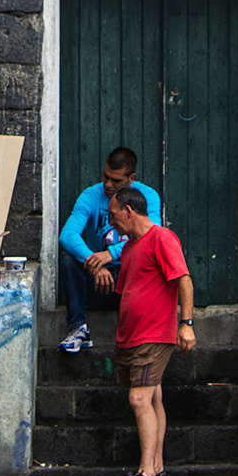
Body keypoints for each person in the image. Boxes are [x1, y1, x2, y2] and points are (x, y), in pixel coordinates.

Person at [106, 187, 196, 476]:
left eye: (113, 215)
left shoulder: (162, 238)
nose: (111, 222)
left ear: (129, 211)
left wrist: (186, 324)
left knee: (139, 399)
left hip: (154, 334)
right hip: (131, 336)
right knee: (153, 398)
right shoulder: (130, 248)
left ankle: (145, 471)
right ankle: (156, 468)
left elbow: (183, 279)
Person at [57, 147, 161, 353]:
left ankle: (144, 332)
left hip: (131, 280)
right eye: (106, 177)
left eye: (116, 181)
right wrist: (95, 263)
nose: (108, 184)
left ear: (131, 178)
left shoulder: (147, 197)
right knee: (68, 258)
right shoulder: (91, 195)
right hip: (99, 282)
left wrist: (110, 254)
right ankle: (78, 328)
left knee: (152, 259)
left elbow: (152, 236)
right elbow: (67, 235)